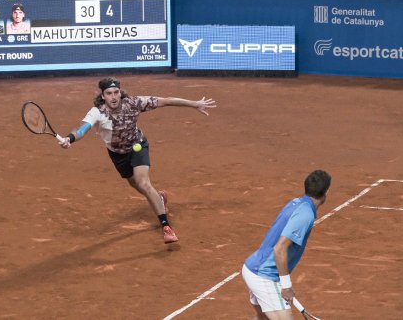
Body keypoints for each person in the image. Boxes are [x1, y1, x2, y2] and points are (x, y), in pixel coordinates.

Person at [59, 77, 216, 244]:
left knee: (143, 183)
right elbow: (83, 128)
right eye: (109, 93)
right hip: (117, 154)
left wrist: (195, 103)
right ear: (103, 96)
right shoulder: (98, 112)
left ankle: (166, 226)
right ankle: (160, 198)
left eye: (116, 92)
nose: (113, 97)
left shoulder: (134, 103)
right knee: (134, 183)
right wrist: (70, 139)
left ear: (120, 92)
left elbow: (166, 101)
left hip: (138, 145)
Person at [242, 170, 332, 319]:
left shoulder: (296, 203)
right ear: (326, 193)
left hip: (252, 268)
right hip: (263, 276)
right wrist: (286, 286)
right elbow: (280, 248)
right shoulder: (306, 214)